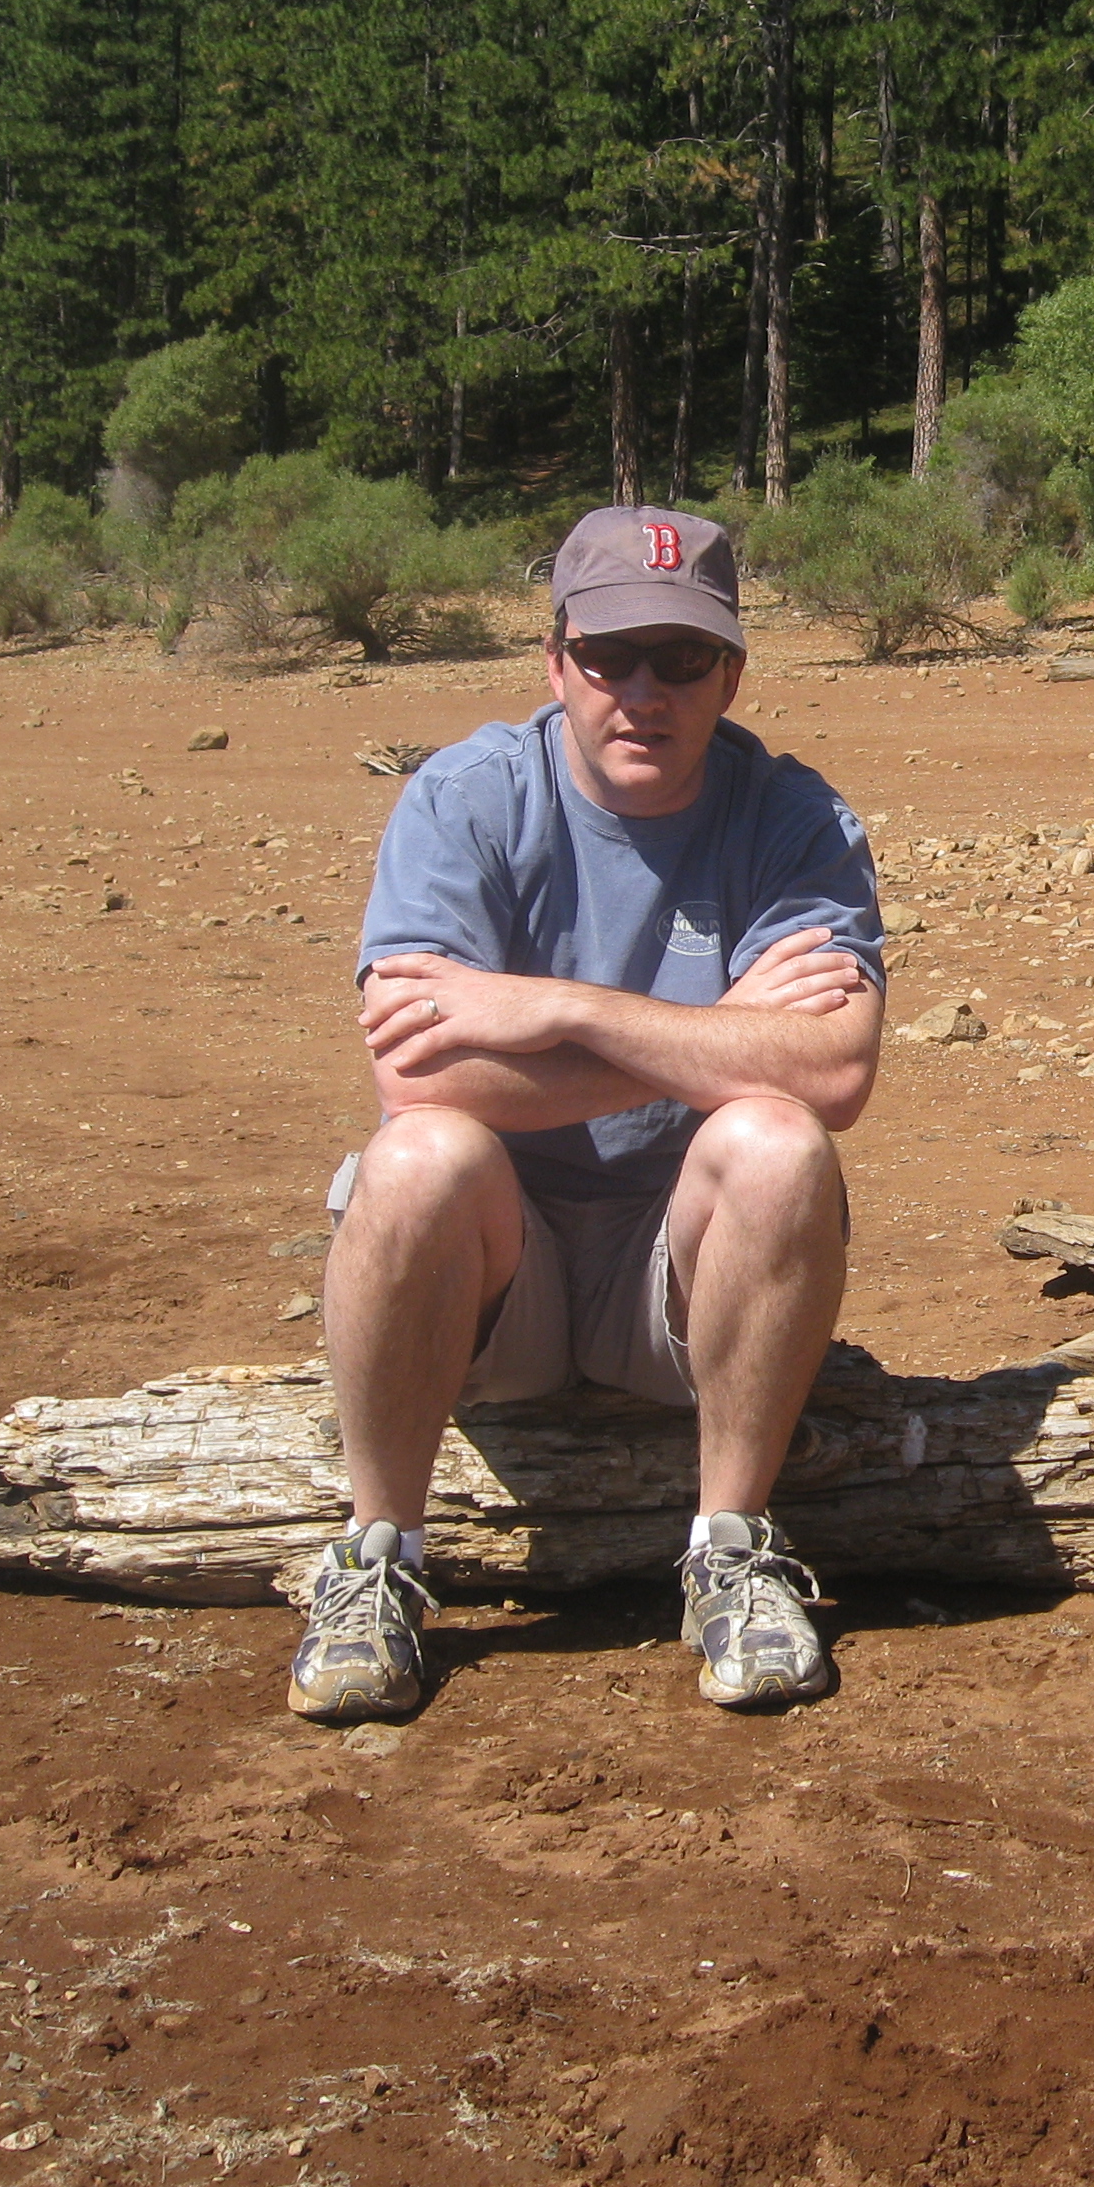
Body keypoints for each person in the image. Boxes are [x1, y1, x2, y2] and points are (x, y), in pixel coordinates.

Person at [293, 504, 885, 1723]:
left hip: (677, 1280)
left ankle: (731, 1550)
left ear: (731, 675)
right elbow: (417, 1081)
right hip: (496, 1277)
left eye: (682, 659)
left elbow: (832, 1074)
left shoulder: (793, 819)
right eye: (610, 657)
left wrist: (553, 1008)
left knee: (778, 1143)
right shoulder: (467, 801)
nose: (643, 694)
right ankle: (377, 1558)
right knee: (420, 1158)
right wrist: (718, 1035)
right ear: (556, 661)